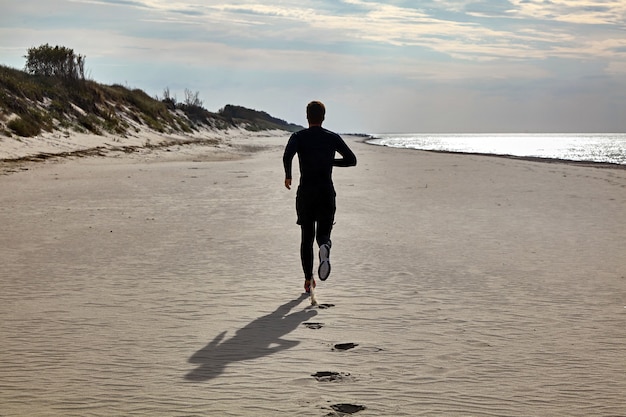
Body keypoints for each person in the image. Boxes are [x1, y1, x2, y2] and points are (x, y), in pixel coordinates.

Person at [283, 101, 357, 294]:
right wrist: (328, 161)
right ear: (323, 117)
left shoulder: (298, 136)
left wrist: (288, 175)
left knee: (306, 238)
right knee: (322, 234)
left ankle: (308, 279)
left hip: (306, 193)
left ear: (307, 116)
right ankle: (324, 245)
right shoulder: (332, 137)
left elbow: (287, 155)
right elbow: (351, 160)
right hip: (326, 192)